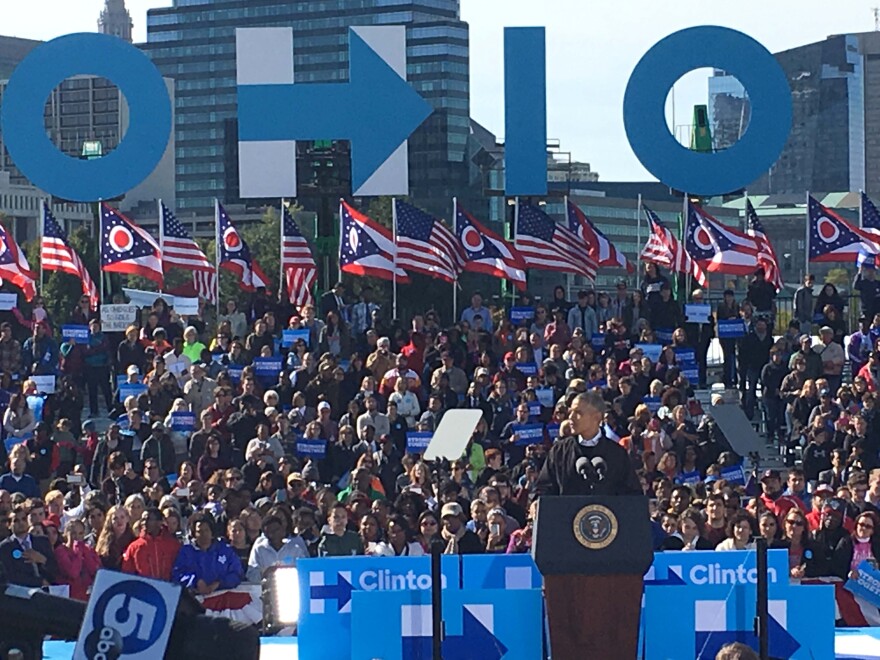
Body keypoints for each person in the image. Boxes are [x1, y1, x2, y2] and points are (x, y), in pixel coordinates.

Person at [535, 391, 641, 496]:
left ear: (597, 417)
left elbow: (632, 493)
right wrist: (536, 503)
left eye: (578, 413)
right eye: (571, 411)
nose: (571, 417)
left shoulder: (617, 454)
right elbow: (544, 488)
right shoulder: (559, 451)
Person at [172, 511, 243, 595]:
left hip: (223, 600)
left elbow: (237, 573)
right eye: (200, 531)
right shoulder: (186, 552)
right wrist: (195, 581)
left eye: (206, 530)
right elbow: (177, 575)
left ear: (211, 531)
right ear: (194, 533)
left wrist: (218, 583)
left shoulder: (225, 550)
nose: (204, 534)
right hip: (195, 600)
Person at [0, 504, 58, 586]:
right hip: (22, 593)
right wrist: (39, 582)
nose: (21, 523)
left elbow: (55, 568)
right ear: (9, 525)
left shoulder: (43, 541)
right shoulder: (5, 547)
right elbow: (11, 576)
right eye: (16, 520)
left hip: (49, 590)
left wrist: (43, 560)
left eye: (23, 519)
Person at [121, 507, 181, 581]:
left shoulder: (174, 545)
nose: (144, 523)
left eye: (149, 519)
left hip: (168, 589)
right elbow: (127, 574)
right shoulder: (134, 547)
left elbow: (180, 570)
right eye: (143, 519)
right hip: (144, 590)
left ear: (159, 522)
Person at [246, 513, 309, 582]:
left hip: (291, 587)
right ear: (265, 534)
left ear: (283, 530)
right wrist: (265, 572)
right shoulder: (259, 550)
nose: (274, 534)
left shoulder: (295, 549)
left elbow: (305, 571)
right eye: (270, 532)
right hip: (266, 589)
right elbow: (251, 576)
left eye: (277, 530)